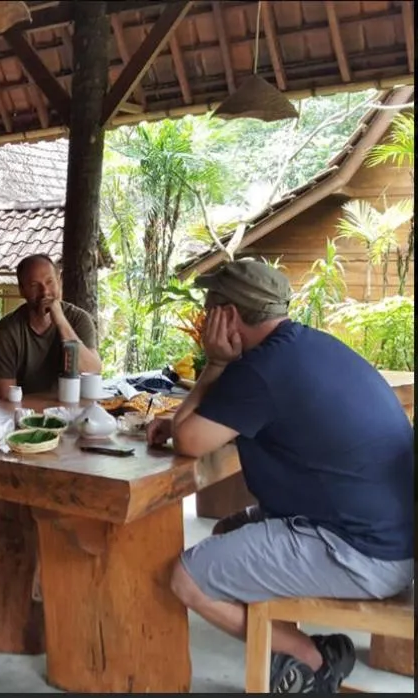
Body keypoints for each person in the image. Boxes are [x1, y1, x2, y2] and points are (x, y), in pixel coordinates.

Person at [145, 259, 414, 694]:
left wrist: (214, 365)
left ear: (228, 315)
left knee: (186, 578)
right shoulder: (307, 345)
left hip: (361, 553)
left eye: (211, 307)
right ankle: (296, 648)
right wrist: (197, 419)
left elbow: (189, 441)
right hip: (387, 536)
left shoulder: (259, 369)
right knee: (231, 529)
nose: (204, 316)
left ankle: (313, 659)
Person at [0, 254, 102, 399]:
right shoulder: (6, 331)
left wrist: (60, 321)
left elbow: (92, 371)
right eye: (35, 285)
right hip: (19, 415)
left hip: (65, 409)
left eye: (50, 282)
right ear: (22, 290)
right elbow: (6, 398)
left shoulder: (79, 319)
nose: (45, 292)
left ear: (59, 281)